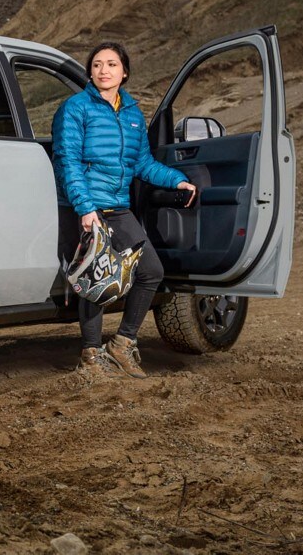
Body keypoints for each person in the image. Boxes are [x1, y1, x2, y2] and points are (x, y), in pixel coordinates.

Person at [52, 42, 197, 380]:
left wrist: (176, 181)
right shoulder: (74, 108)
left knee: (151, 271)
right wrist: (85, 209)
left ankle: (121, 344)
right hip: (85, 206)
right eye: (98, 64)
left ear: (124, 72)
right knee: (95, 278)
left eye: (112, 64)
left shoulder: (132, 114)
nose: (104, 70)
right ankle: (90, 355)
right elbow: (67, 161)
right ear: (90, 72)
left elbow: (142, 163)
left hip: (118, 207)